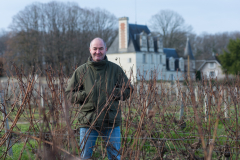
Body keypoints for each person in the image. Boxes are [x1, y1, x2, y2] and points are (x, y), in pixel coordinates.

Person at [65, 37, 133, 159]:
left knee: (115, 156)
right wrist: (85, 95)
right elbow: (68, 94)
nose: (98, 52)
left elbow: (129, 89)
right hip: (88, 121)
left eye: (101, 48)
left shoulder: (115, 69)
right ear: (90, 50)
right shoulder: (81, 71)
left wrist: (114, 93)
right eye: (95, 49)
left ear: (106, 49)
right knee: (85, 156)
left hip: (110, 121)